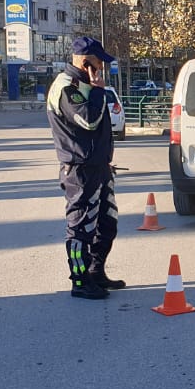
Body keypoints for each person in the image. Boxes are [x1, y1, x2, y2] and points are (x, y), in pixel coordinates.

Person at [47, 36, 125, 300]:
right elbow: (88, 121)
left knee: (107, 223)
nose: (102, 67)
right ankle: (80, 281)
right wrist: (99, 91)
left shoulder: (86, 85)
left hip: (99, 166)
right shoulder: (66, 87)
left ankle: (95, 272)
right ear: (84, 62)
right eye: (98, 62)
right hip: (80, 169)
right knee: (81, 227)